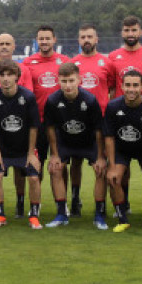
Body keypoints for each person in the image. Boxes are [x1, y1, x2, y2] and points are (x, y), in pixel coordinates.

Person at [43, 63, 107, 230]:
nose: (68, 85)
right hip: (65, 141)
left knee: (101, 170)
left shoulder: (90, 100)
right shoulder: (52, 100)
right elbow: (50, 128)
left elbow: (99, 130)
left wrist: (100, 157)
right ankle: (61, 214)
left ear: (79, 79)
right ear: (58, 81)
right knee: (55, 169)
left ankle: (99, 215)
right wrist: (54, 155)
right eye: (64, 81)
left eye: (71, 80)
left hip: (88, 141)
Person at [104, 70, 142, 234]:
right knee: (113, 178)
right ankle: (122, 219)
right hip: (122, 149)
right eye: (128, 85)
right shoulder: (113, 106)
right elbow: (109, 138)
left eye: (135, 85)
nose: (131, 89)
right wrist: (110, 165)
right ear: (122, 86)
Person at [0, 59, 43, 230]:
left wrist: (31, 153)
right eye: (2, 75)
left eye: (10, 74)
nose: (6, 79)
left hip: (24, 150)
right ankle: (1, 216)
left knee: (33, 178)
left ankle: (34, 216)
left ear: (17, 76)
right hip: (4, 150)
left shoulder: (28, 97)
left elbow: (33, 126)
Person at [68, 24, 115, 216]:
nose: (86, 40)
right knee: (75, 162)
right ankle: (75, 198)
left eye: (89, 36)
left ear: (97, 39)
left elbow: (111, 88)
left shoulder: (107, 63)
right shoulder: (73, 64)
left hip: (100, 121)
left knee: (100, 163)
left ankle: (101, 206)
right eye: (82, 37)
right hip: (79, 121)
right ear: (79, 41)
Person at [24, 25, 71, 217]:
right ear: (37, 40)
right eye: (40, 38)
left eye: (47, 38)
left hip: (61, 123)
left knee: (61, 165)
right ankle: (37, 204)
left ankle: (63, 203)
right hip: (38, 123)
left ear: (54, 40)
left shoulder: (65, 62)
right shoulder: (28, 62)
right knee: (38, 163)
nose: (44, 42)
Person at [109, 16, 142, 97]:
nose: (130, 34)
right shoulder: (113, 56)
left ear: (141, 32)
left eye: (134, 30)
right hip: (121, 107)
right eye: (127, 30)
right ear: (122, 33)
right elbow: (112, 88)